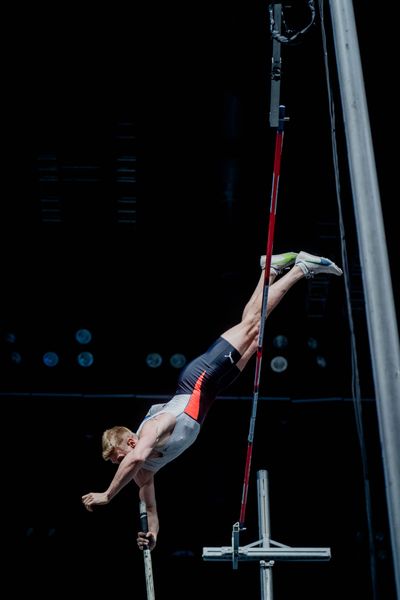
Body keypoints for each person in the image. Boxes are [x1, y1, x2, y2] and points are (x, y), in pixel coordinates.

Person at [82, 250, 342, 550]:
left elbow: (137, 457)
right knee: (254, 329)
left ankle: (300, 270)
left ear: (128, 443)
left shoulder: (150, 431)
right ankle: (268, 272)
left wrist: (107, 494)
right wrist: (153, 536)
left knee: (252, 325)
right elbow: (151, 509)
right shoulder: (145, 474)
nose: (121, 465)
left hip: (199, 378)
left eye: (118, 459)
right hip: (212, 391)